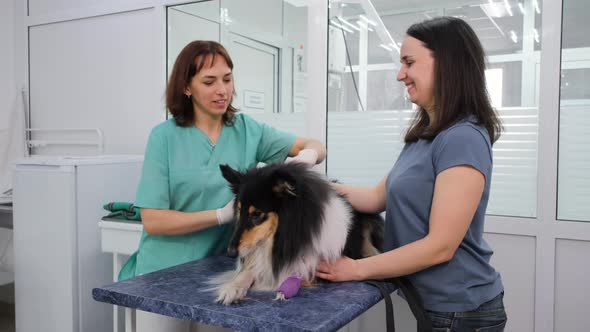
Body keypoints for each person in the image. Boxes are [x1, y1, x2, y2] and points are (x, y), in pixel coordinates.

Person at [316, 17, 507, 331]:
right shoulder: (426, 136)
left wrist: (356, 269)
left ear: (446, 63)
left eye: (408, 62)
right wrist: (313, 187)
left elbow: (440, 246)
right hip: (432, 305)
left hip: (461, 311)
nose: (399, 74)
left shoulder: (463, 137)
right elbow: (377, 197)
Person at [120, 40, 326, 331]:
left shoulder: (246, 129)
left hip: (219, 268)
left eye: (227, 79)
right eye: (209, 81)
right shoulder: (163, 138)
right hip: (163, 273)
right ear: (187, 87)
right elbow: (152, 220)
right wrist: (219, 215)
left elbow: (315, 145)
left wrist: (306, 157)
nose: (222, 90)